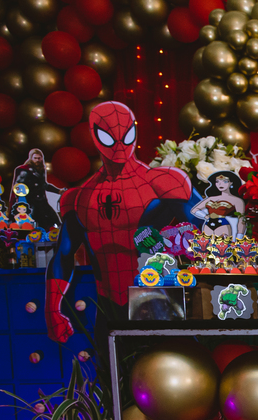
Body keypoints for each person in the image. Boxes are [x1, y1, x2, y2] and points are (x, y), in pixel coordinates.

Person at [46, 101, 200, 344]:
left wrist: (173, 243)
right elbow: (63, 256)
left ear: (134, 132)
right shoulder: (78, 199)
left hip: (158, 297)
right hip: (108, 306)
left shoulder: (165, 182)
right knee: (112, 377)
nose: (119, 146)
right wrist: (52, 309)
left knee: (168, 377)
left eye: (126, 135)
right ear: (95, 136)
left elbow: (211, 235)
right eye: (109, 138)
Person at [11, 148, 61, 231]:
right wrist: (21, 202)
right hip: (30, 202)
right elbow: (18, 188)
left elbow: (44, 185)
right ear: (31, 158)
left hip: (42, 202)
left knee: (53, 221)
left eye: (39, 158)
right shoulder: (24, 170)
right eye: (35, 158)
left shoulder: (41, 170)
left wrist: (58, 191)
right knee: (33, 224)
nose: (37, 160)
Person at [190, 170, 245, 237]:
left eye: (225, 181)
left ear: (231, 183)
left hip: (223, 226)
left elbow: (241, 220)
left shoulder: (237, 200)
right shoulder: (211, 199)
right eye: (217, 182)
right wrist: (205, 216)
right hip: (208, 225)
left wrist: (239, 237)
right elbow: (194, 210)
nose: (220, 184)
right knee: (206, 245)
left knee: (222, 246)